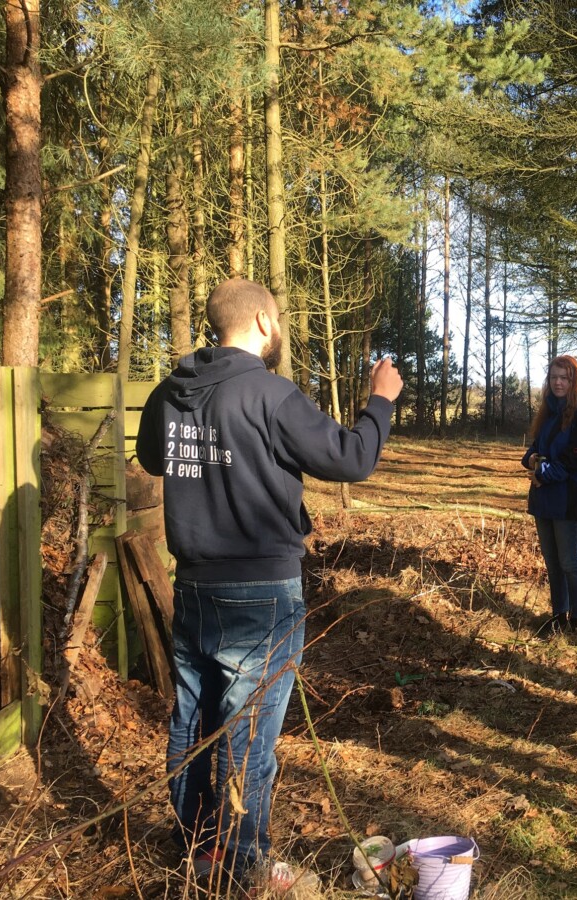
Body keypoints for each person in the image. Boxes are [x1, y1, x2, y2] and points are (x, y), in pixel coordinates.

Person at [136, 278, 403, 892]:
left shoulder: (169, 393)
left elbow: (154, 459)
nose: (279, 328)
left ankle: (199, 850)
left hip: (195, 590)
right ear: (262, 320)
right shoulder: (271, 395)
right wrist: (380, 401)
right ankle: (245, 863)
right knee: (247, 735)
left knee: (193, 724)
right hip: (260, 594)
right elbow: (352, 458)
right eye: (278, 319)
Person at [523, 355, 577, 636]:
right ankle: (558, 614)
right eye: (554, 377)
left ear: (575, 380)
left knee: (569, 561)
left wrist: (542, 473)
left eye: (564, 378)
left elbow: (574, 460)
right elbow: (535, 445)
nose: (558, 382)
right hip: (544, 497)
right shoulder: (550, 408)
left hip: (569, 497)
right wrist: (532, 458)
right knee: (552, 561)